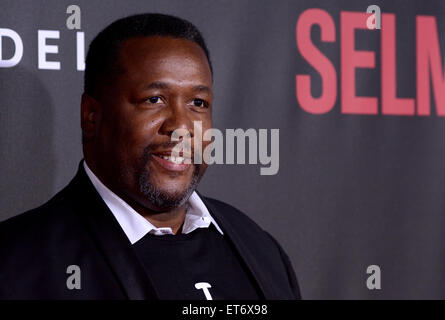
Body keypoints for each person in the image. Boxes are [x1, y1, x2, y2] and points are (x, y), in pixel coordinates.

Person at [0, 13, 301, 300]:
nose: (181, 127)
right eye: (154, 100)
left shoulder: (262, 251)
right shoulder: (17, 264)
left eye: (198, 102)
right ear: (91, 116)